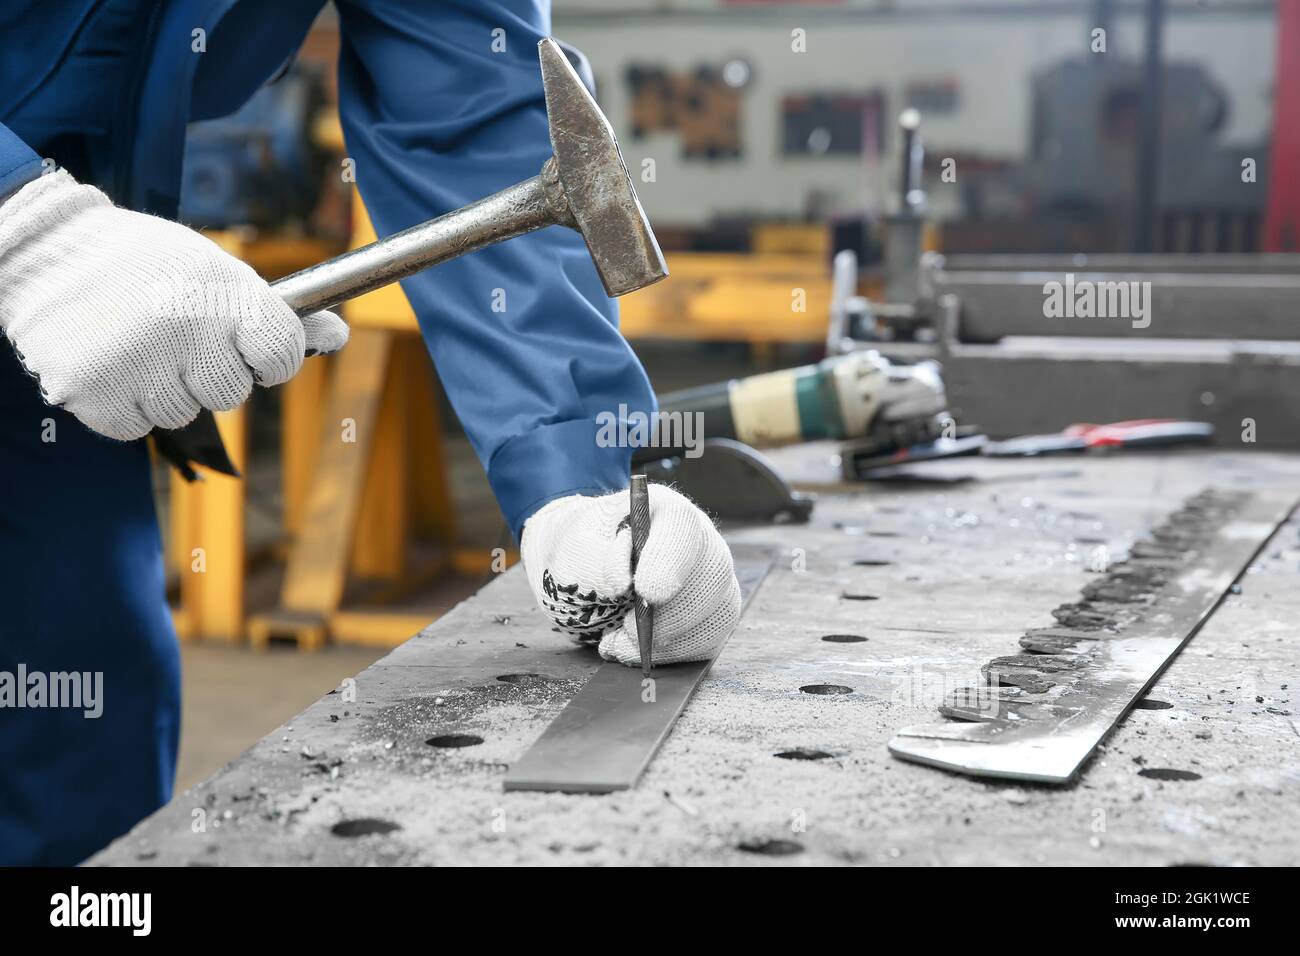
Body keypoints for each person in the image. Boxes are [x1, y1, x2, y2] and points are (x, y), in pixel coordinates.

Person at [0, 0, 738, 865]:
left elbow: (468, 106)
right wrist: (20, 223)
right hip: (51, 242)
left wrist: (569, 482)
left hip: (75, 300)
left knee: (80, 719)